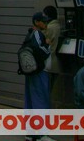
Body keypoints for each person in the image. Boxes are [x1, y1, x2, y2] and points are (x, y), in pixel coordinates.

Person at [22, 11, 53, 141]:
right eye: (43, 21)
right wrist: (48, 45)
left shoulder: (30, 34)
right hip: (40, 72)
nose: (46, 23)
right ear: (36, 22)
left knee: (31, 101)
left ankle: (30, 132)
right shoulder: (37, 34)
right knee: (41, 101)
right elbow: (40, 50)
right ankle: (41, 134)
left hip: (32, 72)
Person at [43, 4, 62, 102]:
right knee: (50, 92)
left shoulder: (48, 28)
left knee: (44, 93)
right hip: (56, 64)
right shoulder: (59, 26)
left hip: (47, 65)